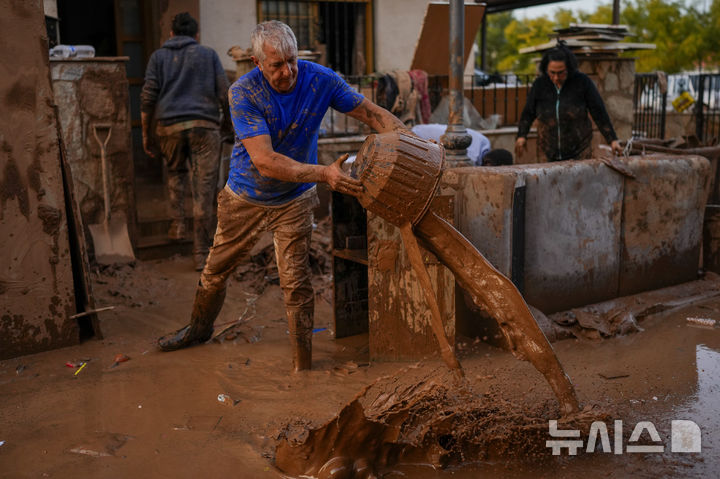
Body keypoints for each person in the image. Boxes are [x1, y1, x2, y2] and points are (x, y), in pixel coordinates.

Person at [157, 20, 410, 372]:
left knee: (296, 282)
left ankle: (301, 365)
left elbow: (372, 114)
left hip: (294, 199)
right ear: (258, 63)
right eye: (276, 65)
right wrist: (325, 173)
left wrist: (411, 145)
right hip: (245, 196)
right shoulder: (243, 92)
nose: (287, 71)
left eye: (291, 60)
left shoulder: (319, 78)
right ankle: (198, 330)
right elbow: (266, 162)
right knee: (214, 273)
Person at [141, 12, 231, 271]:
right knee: (204, 190)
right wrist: (227, 127)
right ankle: (201, 253)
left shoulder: (158, 57)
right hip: (204, 128)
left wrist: (147, 134)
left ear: (171, 34)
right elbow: (225, 94)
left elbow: (147, 98)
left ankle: (177, 223)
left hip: (169, 127)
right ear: (196, 35)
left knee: (176, 173)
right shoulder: (209, 55)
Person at [515, 42, 622, 162]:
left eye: (561, 72)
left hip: (579, 150)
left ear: (569, 69)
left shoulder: (582, 82)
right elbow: (528, 112)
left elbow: (599, 111)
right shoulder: (540, 85)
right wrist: (521, 136)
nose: (556, 77)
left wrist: (612, 139)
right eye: (552, 72)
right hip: (547, 150)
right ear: (546, 69)